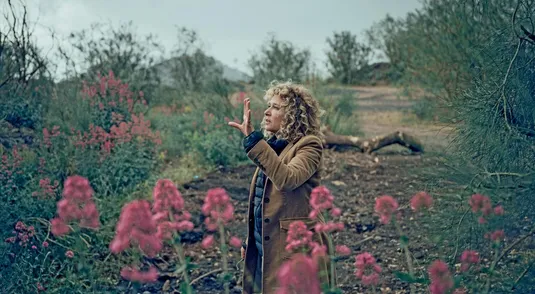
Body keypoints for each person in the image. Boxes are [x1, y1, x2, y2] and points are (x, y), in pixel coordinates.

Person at [228, 81, 335, 294]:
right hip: (265, 245)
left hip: (293, 252)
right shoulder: (275, 147)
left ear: (294, 115)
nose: (267, 112)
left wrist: (253, 141)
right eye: (269, 106)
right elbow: (264, 200)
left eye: (276, 107)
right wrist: (251, 238)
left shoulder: (309, 145)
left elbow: (287, 179)